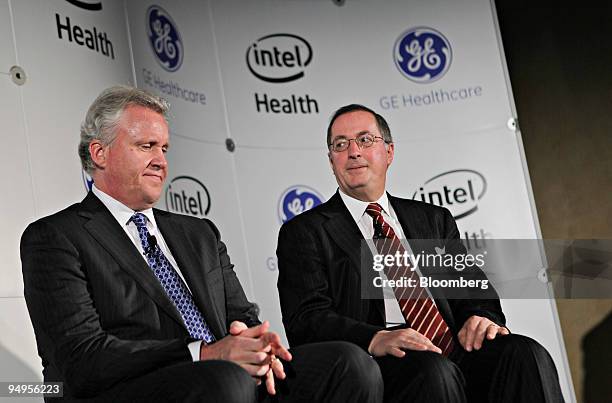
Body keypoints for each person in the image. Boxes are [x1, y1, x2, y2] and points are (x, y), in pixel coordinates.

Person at [21, 87, 382, 402]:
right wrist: (204, 354)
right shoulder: (56, 237)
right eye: (146, 146)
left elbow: (241, 316)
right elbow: (83, 359)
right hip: (131, 387)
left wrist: (253, 346)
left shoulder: (199, 233)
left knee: (348, 364)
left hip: (226, 377)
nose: (161, 161)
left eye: (164, 148)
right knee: (225, 380)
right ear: (100, 153)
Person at [276, 104, 565, 403]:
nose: (353, 151)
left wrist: (481, 315)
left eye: (365, 140)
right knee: (433, 372)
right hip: (381, 361)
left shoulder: (431, 219)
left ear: (389, 152)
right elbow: (307, 320)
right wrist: (374, 338)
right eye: (340, 144)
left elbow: (471, 288)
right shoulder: (306, 232)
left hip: (452, 346)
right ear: (331, 160)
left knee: (524, 353)